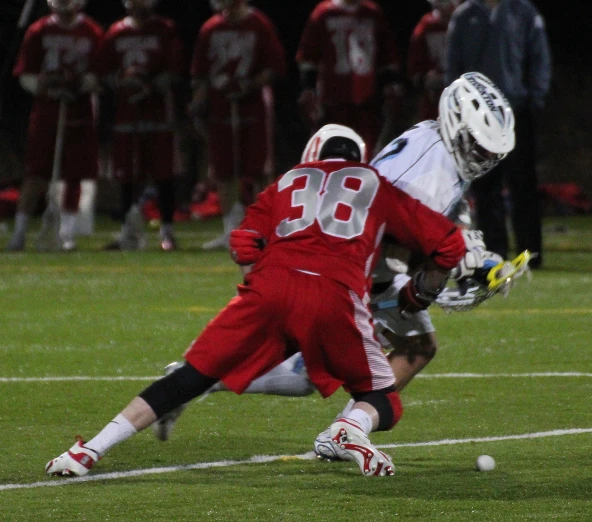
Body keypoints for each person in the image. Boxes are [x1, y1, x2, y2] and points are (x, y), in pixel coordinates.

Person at [45, 124, 467, 478]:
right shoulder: (377, 186)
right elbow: (448, 245)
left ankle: (87, 452)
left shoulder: (287, 180)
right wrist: (420, 292)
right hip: (334, 294)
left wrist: (267, 289)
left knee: (189, 377)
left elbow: (244, 242)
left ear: (313, 153)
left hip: (270, 287)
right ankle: (347, 431)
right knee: (382, 399)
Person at [150, 73, 516, 463]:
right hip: (358, 269)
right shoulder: (430, 173)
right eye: (479, 146)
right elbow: (396, 230)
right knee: (372, 355)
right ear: (457, 125)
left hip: (354, 262)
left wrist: (466, 246)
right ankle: (334, 427)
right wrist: (450, 274)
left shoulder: (433, 139)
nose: (485, 158)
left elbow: (430, 216)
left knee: (373, 354)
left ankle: (198, 384)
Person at [445, 0, 551, 268]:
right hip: (476, 116)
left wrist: (535, 97)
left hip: (515, 111)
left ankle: (530, 252)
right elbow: (453, 62)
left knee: (523, 184)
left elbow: (539, 56)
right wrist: (457, 104)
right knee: (484, 186)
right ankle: (493, 251)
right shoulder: (464, 15)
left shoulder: (523, 12)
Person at [6, 0, 102, 252]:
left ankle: (67, 233)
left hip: (78, 111)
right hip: (46, 112)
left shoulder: (91, 31)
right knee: (36, 173)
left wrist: (79, 84)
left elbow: (98, 74)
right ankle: (19, 233)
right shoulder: (39, 31)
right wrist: (47, 86)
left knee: (74, 174)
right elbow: (26, 75)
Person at [191, 0, 286, 250]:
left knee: (258, 169)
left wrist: (250, 84)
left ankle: (264, 228)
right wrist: (198, 103)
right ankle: (231, 230)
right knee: (224, 171)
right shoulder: (211, 28)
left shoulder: (259, 25)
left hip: (253, 106)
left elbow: (274, 68)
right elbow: (200, 73)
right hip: (221, 105)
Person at [100, 0, 184, 251]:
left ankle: (166, 231)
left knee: (163, 175)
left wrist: (151, 83)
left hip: (157, 114)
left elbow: (175, 69)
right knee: (127, 175)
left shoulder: (165, 29)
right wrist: (124, 82)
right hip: (127, 115)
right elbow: (105, 71)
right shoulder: (116, 32)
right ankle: (128, 228)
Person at [296, 0, 402, 154]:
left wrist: (391, 86)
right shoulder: (324, 13)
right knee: (331, 154)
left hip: (368, 100)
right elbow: (308, 58)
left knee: (368, 154)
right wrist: (309, 89)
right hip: (332, 101)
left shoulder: (373, 13)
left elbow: (387, 57)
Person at [408, 0, 460, 121]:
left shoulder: (467, 21)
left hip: (461, 90)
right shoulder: (426, 25)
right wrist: (423, 78)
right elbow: (415, 64)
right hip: (434, 96)